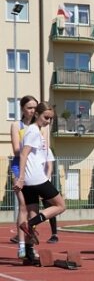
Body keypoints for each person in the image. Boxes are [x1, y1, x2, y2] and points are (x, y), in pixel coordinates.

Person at [13, 102, 67, 256]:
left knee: (32, 211)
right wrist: (21, 177)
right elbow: (23, 154)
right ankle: (30, 224)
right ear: (36, 114)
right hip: (35, 177)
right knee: (61, 205)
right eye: (46, 117)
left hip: (31, 179)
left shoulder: (36, 131)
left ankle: (29, 252)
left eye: (51, 119)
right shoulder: (33, 131)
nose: (48, 121)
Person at [9, 96, 37, 252]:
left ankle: (30, 244)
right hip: (19, 168)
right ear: (22, 109)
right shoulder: (16, 125)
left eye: (34, 107)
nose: (32, 111)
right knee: (23, 206)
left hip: (34, 169)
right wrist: (30, 149)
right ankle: (21, 245)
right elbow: (16, 150)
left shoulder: (39, 126)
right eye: (29, 107)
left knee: (34, 208)